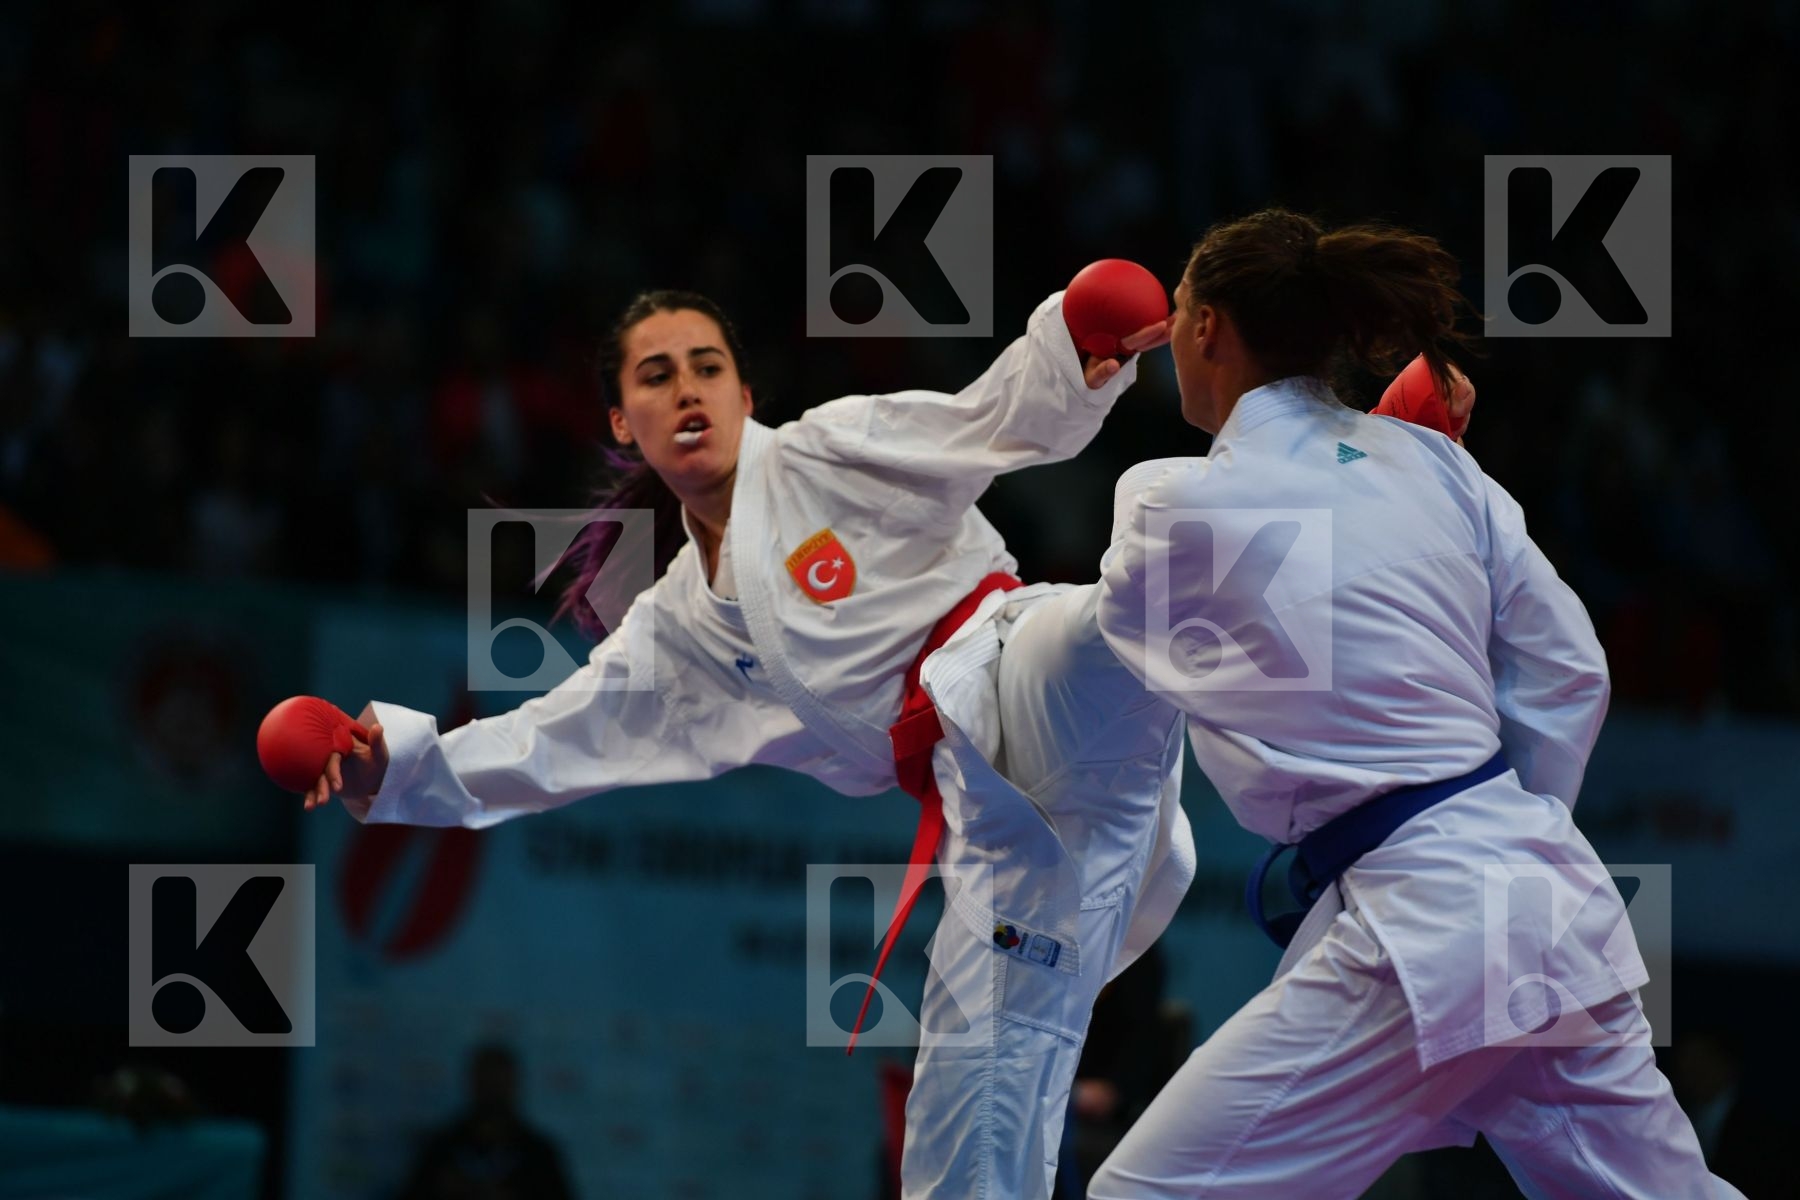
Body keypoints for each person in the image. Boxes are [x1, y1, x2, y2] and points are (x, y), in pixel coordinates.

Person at [300, 282, 1196, 1200]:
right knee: (958, 1127)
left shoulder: (829, 449)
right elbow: (544, 743)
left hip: (1019, 661)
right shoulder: (676, 631)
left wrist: (1070, 362)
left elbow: (984, 421)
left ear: (745, 396)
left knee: (1138, 580)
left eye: (707, 366)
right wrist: (401, 765)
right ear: (622, 420)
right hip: (992, 818)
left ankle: (1283, 493)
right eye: (657, 375)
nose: (687, 388)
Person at [1086, 208, 1743, 1198]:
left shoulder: (1169, 500)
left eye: (1177, 309)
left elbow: (1150, 653)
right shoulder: (1440, 465)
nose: (1171, 331)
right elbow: (1573, 673)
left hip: (1423, 923)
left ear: (1208, 327)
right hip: (1539, 895)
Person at [400, 1042, 575, 1200]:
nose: (493, 1092)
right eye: (486, 1083)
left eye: (499, 1084)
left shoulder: (538, 1153)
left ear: (514, 1086)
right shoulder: (442, 1148)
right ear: (472, 1084)